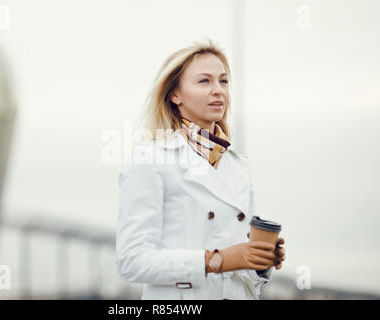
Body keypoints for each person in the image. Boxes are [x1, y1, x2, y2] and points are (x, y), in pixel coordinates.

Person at [115, 39, 285, 300]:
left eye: (224, 81)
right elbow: (132, 260)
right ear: (175, 94)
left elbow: (240, 269)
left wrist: (260, 262)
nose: (218, 90)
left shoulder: (237, 165)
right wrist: (217, 261)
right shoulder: (149, 159)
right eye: (204, 81)